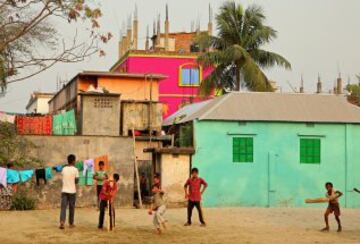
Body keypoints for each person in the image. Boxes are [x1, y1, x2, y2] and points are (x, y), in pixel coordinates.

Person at [59, 154, 79, 230]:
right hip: (72, 191)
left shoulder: (64, 169)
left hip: (64, 190)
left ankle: (62, 222)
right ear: (73, 161)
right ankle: (71, 223)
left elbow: (63, 174)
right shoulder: (75, 170)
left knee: (63, 207)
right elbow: (77, 181)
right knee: (71, 207)